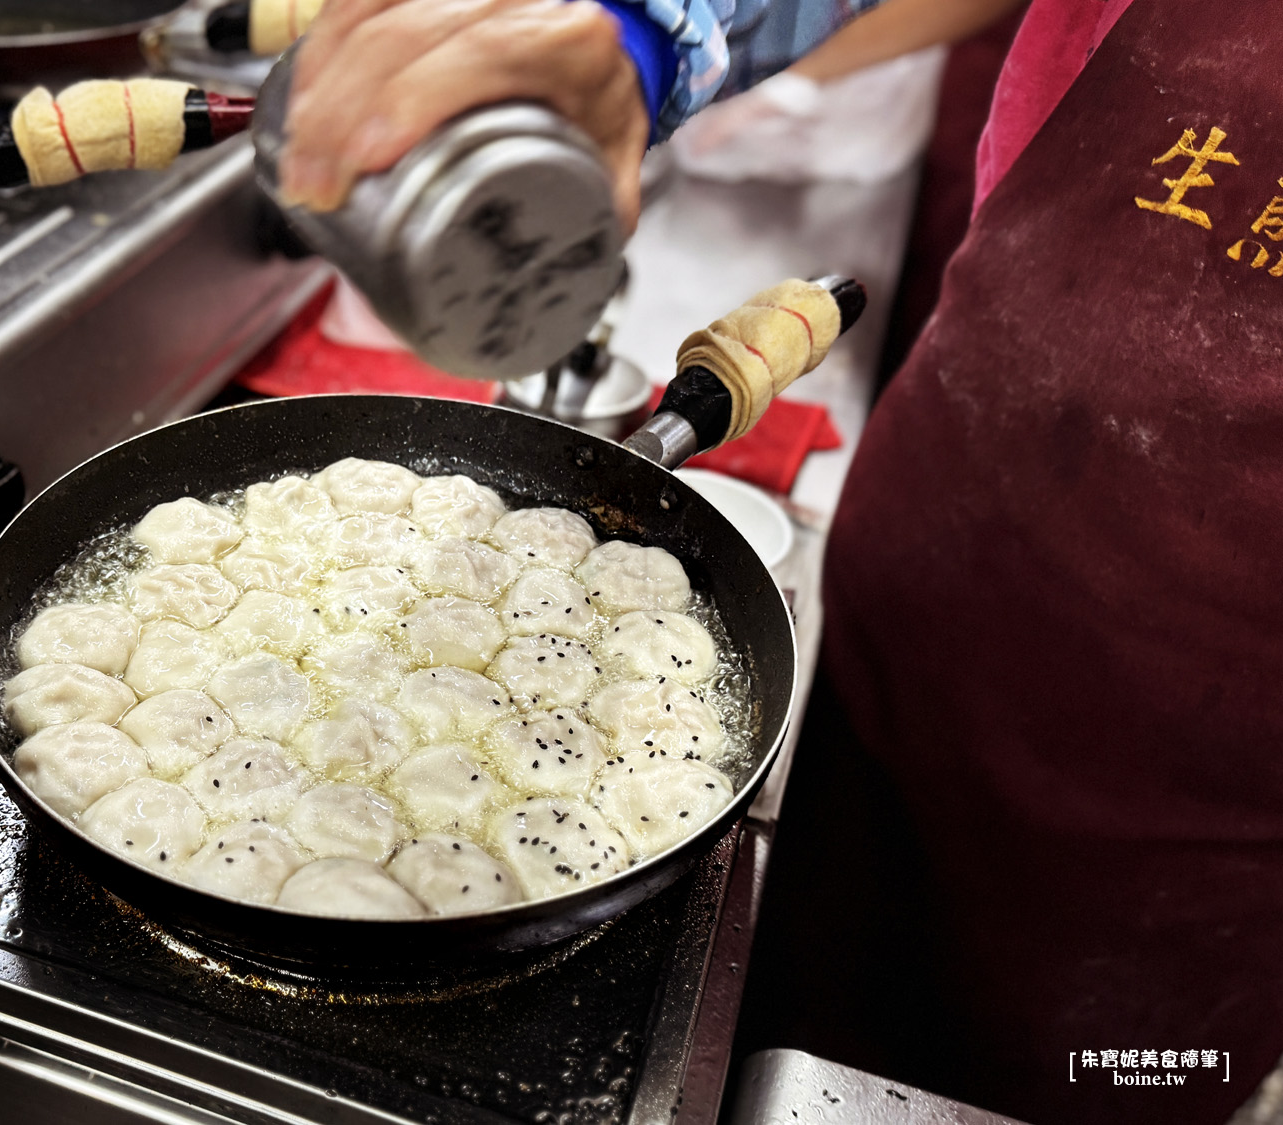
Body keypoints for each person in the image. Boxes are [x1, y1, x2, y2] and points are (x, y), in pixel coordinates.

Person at [282, 0, 1283, 1121]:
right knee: (789, 998)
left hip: (1218, 790)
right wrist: (646, 33)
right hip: (944, 541)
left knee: (1071, 1084)